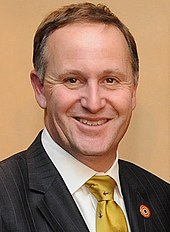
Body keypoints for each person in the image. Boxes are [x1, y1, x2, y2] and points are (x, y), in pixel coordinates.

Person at [0, 2, 169, 232]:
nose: (93, 103)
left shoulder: (163, 200)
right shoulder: (5, 197)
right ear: (40, 89)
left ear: (133, 90)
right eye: (73, 80)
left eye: (110, 80)